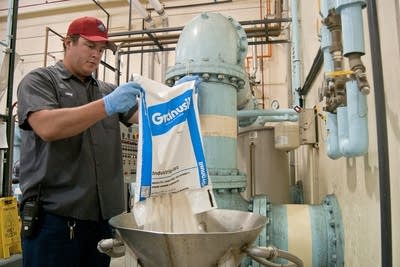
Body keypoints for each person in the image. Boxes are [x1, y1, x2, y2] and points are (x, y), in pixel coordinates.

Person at [17, 16, 141, 267]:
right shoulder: (40, 81)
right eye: (89, 46)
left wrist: (179, 95)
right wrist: (106, 106)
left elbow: (151, 117)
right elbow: (47, 126)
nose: (96, 55)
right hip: (53, 222)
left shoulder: (107, 90)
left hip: (100, 224)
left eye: (101, 49)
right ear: (68, 43)